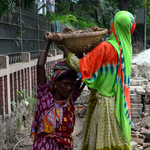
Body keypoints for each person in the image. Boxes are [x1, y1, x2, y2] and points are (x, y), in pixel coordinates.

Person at [50, 10, 135, 150]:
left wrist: (62, 46)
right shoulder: (125, 48)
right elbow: (96, 60)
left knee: (101, 144)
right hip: (117, 104)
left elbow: (80, 66)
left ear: (115, 26)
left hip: (104, 106)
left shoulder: (106, 47)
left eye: (113, 21)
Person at [30, 32, 85, 150]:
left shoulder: (70, 98)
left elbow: (86, 74)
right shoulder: (45, 98)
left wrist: (80, 53)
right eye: (66, 84)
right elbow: (40, 66)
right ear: (55, 82)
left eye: (71, 84)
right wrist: (48, 43)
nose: (69, 88)